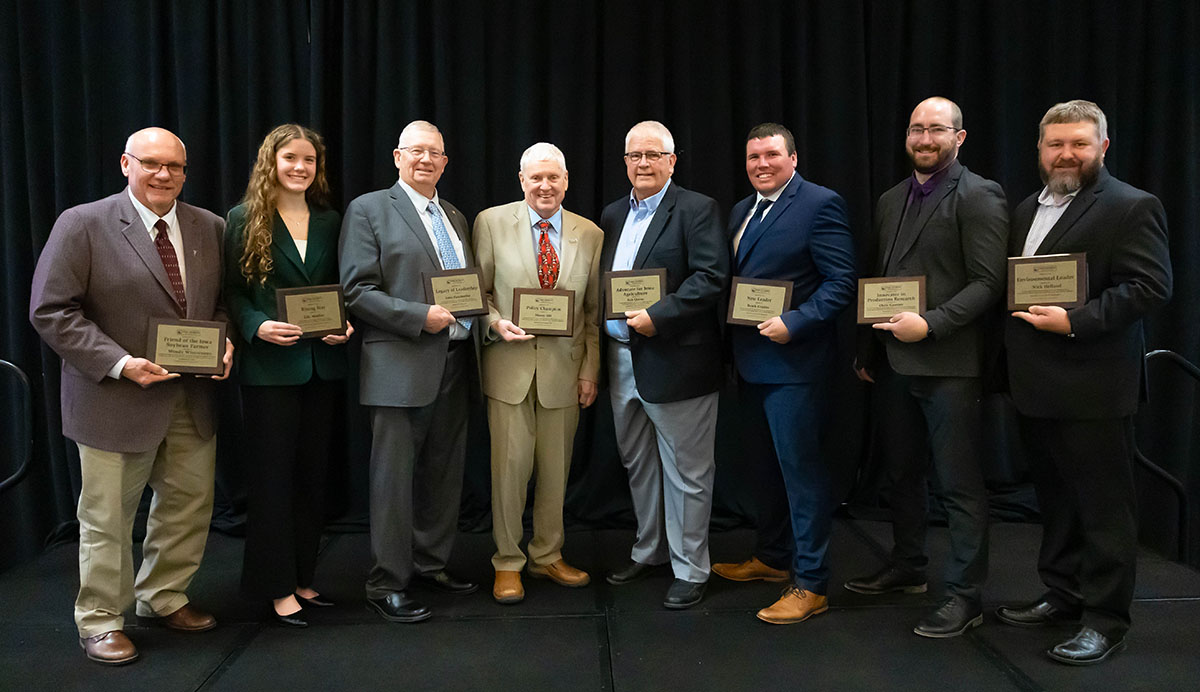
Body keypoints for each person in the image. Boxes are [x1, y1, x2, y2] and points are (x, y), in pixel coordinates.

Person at [29, 127, 233, 665]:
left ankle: (163, 596)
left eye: (175, 167)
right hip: (114, 400)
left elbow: (219, 304)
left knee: (188, 505)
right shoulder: (83, 224)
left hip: (191, 397)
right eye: (151, 163)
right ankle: (99, 619)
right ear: (126, 163)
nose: (164, 175)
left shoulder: (209, 227)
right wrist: (119, 364)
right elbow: (51, 310)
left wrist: (225, 340)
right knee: (107, 518)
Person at [998, 99, 1172, 665]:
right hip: (1037, 385)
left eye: (1078, 143)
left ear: (1102, 147)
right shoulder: (1026, 208)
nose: (1065, 154)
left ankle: (1105, 620)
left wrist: (1075, 320)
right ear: (1041, 150)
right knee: (1057, 502)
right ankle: (1064, 593)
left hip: (1095, 387)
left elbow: (1149, 287)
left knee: (1103, 510)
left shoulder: (1131, 205)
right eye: (1055, 144)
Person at [847, 97, 1008, 638]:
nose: (924, 138)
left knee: (959, 485)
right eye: (916, 128)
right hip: (894, 362)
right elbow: (880, 276)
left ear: (959, 138)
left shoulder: (980, 196)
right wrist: (868, 350)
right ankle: (909, 566)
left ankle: (965, 595)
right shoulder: (892, 198)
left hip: (950, 364)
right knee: (902, 473)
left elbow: (989, 283)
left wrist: (933, 323)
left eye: (936, 129)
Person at [712, 123, 856, 624]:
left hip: (796, 365)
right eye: (753, 157)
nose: (761, 164)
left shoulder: (820, 204)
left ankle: (811, 583)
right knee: (766, 471)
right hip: (750, 364)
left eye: (772, 154)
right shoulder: (741, 210)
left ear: (793, 158)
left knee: (801, 474)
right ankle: (772, 558)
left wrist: (796, 322)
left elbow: (841, 283)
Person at [339, 120, 480, 623]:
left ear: (445, 162)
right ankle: (386, 581)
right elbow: (356, 291)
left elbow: (467, 288)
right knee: (393, 480)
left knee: (443, 472)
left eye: (435, 153)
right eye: (416, 151)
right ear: (397, 156)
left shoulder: (457, 216)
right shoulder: (370, 209)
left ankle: (431, 563)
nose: (426, 160)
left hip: (457, 362)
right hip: (399, 363)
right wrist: (419, 317)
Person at [224, 124, 352, 628]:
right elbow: (232, 293)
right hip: (269, 370)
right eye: (290, 159)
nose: (300, 168)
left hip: (322, 365)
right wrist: (256, 326)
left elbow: (339, 289)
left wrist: (345, 323)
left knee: (311, 480)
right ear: (270, 163)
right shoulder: (242, 219)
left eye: (310, 161)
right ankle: (275, 587)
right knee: (273, 481)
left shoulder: (329, 220)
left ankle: (303, 577)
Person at [599, 121, 730, 609]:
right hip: (620, 360)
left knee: (688, 472)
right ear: (625, 163)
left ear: (672, 162)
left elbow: (712, 276)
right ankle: (649, 549)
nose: (644, 163)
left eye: (654, 155)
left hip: (677, 360)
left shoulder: (696, 209)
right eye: (635, 156)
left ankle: (691, 567)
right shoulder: (613, 215)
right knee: (638, 464)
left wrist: (660, 316)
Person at [472, 142, 603, 604]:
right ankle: (508, 562)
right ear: (521, 180)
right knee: (508, 471)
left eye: (554, 178)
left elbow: (591, 312)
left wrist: (590, 369)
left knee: (556, 471)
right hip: (508, 367)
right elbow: (478, 292)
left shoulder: (589, 233)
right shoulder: (490, 222)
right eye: (536, 178)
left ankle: (548, 553)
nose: (545, 186)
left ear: (566, 181)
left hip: (564, 372)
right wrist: (493, 323)